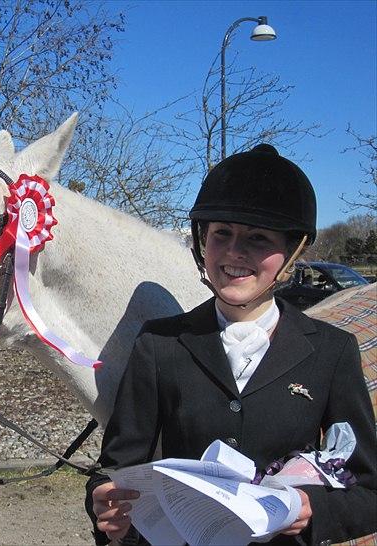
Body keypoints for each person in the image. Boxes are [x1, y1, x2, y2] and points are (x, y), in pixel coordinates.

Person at [86, 144, 377, 545]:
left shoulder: (332, 350)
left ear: (293, 252)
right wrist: (102, 502)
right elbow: (118, 468)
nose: (234, 253)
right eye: (221, 233)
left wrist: (314, 510)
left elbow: (369, 491)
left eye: (258, 239)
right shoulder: (159, 343)